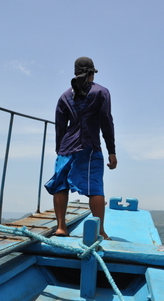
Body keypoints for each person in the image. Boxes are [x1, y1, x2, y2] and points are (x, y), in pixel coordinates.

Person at [45, 57, 117, 239]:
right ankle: (99, 231)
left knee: (60, 184)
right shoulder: (101, 92)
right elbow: (106, 122)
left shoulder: (64, 96)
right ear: (92, 72)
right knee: (95, 187)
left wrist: (59, 148)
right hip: (89, 146)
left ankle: (61, 228)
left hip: (66, 147)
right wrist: (111, 151)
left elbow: (60, 126)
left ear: (75, 72)